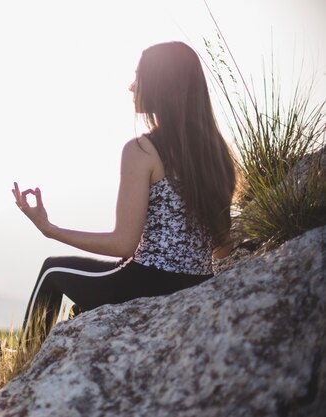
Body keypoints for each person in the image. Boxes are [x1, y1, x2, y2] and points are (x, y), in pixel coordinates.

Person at [12, 41, 236, 344]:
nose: (131, 87)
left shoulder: (143, 150)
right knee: (93, 288)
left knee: (53, 270)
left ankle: (23, 367)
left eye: (139, 76)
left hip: (146, 283)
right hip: (199, 282)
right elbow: (222, 248)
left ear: (160, 85)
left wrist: (48, 228)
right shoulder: (219, 155)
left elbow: (124, 244)